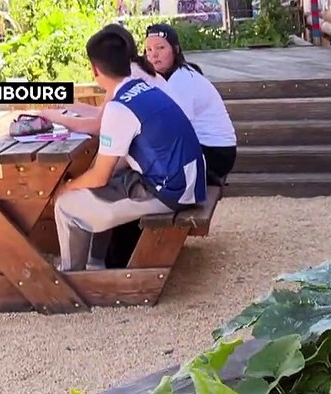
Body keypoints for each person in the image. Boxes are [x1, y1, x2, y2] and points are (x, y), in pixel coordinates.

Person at [52, 24, 207, 271]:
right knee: (108, 181)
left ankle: (72, 282)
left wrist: (66, 188)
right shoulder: (143, 87)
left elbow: (99, 176)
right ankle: (95, 264)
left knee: (66, 205)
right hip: (189, 181)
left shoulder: (119, 106)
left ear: (94, 68)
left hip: (172, 192)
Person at [143, 23, 237, 184]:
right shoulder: (167, 78)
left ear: (175, 49)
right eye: (149, 50)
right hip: (205, 148)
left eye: (160, 48)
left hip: (215, 154)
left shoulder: (183, 80)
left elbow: (172, 129)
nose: (154, 55)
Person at [36, 24, 164, 136]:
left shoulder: (129, 75)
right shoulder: (133, 69)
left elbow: (99, 126)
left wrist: (58, 118)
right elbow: (103, 115)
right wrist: (68, 104)